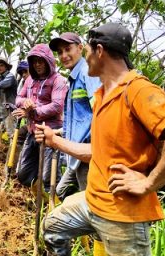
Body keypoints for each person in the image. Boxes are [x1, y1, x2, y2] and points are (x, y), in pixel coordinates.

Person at [35, 23, 165, 255]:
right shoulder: (102, 94)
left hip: (122, 216)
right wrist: (55, 140)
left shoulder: (137, 89)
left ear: (99, 51)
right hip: (92, 201)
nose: (85, 59)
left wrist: (149, 183)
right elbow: (96, 150)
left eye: (86, 52)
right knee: (52, 228)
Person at [49, 32, 101, 201]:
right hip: (76, 154)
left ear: (80, 48)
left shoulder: (87, 73)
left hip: (88, 153)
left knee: (90, 204)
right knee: (62, 191)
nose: (64, 55)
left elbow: (100, 112)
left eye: (67, 49)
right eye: (60, 52)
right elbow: (81, 117)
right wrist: (61, 132)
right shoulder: (73, 78)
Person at [12, 44, 68, 193]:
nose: (37, 64)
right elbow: (19, 98)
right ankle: (38, 197)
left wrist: (32, 112)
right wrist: (25, 103)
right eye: (34, 61)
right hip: (33, 132)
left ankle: (54, 207)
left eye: (41, 61)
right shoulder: (29, 80)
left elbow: (57, 106)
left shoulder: (58, 80)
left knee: (49, 178)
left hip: (50, 132)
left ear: (48, 61)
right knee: (24, 175)